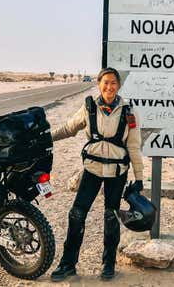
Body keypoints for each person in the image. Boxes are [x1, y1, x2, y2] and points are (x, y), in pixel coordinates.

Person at [50, 67, 144, 281]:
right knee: (76, 215)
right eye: (105, 82)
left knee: (111, 217)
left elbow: (134, 147)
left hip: (117, 172)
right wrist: (45, 138)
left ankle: (108, 264)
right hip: (92, 170)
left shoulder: (129, 111)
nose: (109, 87)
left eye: (113, 83)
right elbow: (68, 128)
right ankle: (67, 264)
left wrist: (139, 178)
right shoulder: (89, 107)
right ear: (99, 84)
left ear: (118, 85)